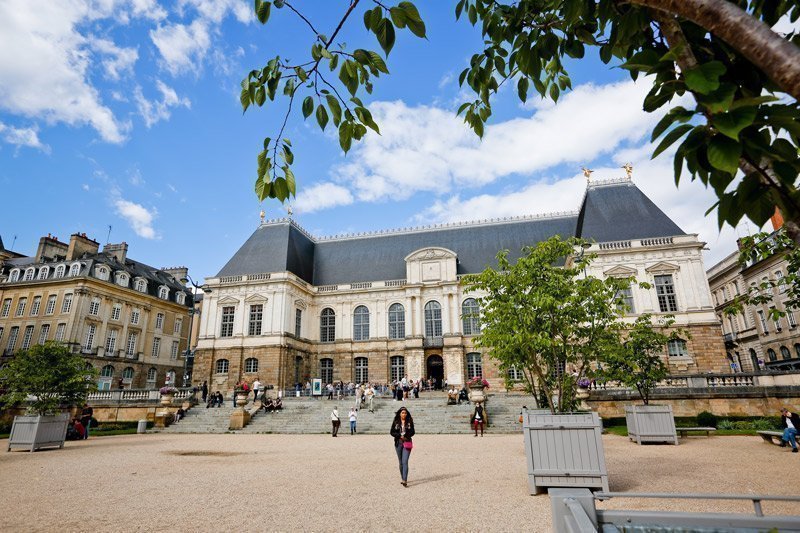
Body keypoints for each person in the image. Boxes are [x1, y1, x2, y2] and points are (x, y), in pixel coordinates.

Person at [390, 406, 415, 487]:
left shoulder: (409, 421)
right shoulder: (396, 421)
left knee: (405, 461)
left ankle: (405, 480)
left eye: (405, 413)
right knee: (400, 462)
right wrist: (399, 436)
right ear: (400, 414)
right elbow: (392, 432)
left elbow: (413, 432)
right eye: (402, 413)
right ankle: (402, 477)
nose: (404, 414)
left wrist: (406, 435)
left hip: (407, 442)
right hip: (398, 443)